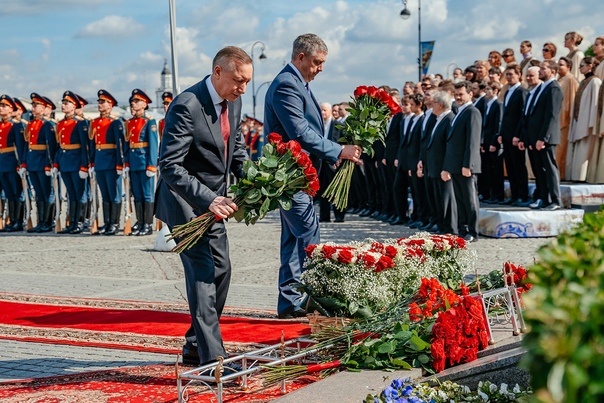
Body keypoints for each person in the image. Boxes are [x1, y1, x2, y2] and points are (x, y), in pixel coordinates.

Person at [155, 46, 251, 367]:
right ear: (218, 73)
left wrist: (258, 181)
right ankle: (213, 359)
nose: (243, 88)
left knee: (222, 269)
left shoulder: (232, 103)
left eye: (248, 82)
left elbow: (235, 150)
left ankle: (196, 345)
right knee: (203, 272)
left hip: (215, 204)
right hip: (184, 203)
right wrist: (210, 199)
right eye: (238, 80)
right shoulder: (187, 105)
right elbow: (169, 166)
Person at [263, 33, 361, 319]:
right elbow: (300, 132)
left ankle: (290, 301)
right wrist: (339, 150)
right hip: (290, 175)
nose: (321, 68)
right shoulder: (286, 84)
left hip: (297, 175)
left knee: (294, 239)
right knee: (308, 235)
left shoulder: (298, 83)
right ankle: (314, 297)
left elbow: (311, 131)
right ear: (300, 57)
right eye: (317, 62)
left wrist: (329, 156)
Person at [441, 81, 481, 242]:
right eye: (456, 94)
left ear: (470, 94)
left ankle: (473, 231)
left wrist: (468, 165)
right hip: (456, 165)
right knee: (460, 199)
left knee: (470, 199)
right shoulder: (459, 112)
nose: (458, 97)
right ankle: (463, 228)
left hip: (465, 166)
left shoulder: (472, 112)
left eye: (461, 94)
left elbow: (472, 141)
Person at [522, 60, 564, 210]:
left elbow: (551, 116)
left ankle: (555, 200)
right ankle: (545, 198)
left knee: (549, 168)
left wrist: (543, 138)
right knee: (540, 170)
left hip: (545, 138)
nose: (540, 70)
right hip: (535, 138)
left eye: (543, 68)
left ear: (553, 71)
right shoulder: (542, 88)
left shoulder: (554, 89)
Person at [89, 90, 125, 235]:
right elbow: (92, 145)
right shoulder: (95, 122)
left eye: (102, 102)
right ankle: (107, 222)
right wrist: (91, 163)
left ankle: (115, 223)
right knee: (105, 195)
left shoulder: (115, 122)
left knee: (114, 194)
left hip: (111, 162)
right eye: (99, 102)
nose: (100, 104)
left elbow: (119, 145)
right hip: (99, 162)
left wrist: (119, 163)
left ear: (110, 105)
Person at [54, 91, 90, 234]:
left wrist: (83, 165)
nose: (63, 105)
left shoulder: (80, 123)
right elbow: (59, 146)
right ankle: (72, 222)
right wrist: (56, 163)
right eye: (63, 103)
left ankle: (80, 222)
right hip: (65, 162)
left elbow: (84, 147)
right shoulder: (61, 123)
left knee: (79, 193)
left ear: (74, 106)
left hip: (76, 162)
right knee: (70, 194)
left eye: (66, 103)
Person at [124, 89, 158, 236]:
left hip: (145, 163)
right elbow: (127, 146)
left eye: (136, 101)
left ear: (144, 104)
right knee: (137, 195)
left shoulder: (149, 122)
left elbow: (153, 145)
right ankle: (141, 223)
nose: (133, 104)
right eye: (132, 101)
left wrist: (151, 165)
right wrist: (126, 163)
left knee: (147, 194)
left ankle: (148, 224)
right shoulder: (129, 122)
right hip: (133, 163)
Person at [22, 93, 57, 233]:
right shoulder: (31, 124)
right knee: (39, 194)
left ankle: (48, 222)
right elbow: (27, 145)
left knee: (47, 192)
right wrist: (24, 163)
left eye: (36, 105)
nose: (34, 107)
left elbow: (51, 146)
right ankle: (41, 221)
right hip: (32, 162)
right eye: (33, 105)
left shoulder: (47, 124)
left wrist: (50, 164)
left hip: (43, 162)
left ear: (43, 109)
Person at [425, 91, 456, 234]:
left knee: (446, 200)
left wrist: (446, 167)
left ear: (440, 104)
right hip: (434, 166)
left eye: (433, 104)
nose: (431, 107)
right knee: (438, 199)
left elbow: (450, 146)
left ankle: (449, 228)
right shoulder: (438, 119)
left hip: (443, 167)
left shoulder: (449, 119)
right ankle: (441, 225)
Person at [567, 57, 601, 182]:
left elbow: (596, 103)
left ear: (590, 65)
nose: (580, 68)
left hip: (588, 122)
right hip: (579, 119)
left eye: (582, 65)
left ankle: (582, 176)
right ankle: (576, 176)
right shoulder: (583, 81)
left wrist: (592, 123)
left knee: (585, 150)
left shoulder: (595, 81)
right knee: (579, 149)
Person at [498, 64, 529, 205]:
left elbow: (522, 116)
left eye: (512, 74)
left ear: (519, 75)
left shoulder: (521, 91)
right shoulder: (507, 92)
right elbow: (506, 117)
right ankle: (514, 195)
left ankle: (522, 195)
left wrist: (518, 135)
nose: (509, 77)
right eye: (507, 74)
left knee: (518, 167)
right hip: (506, 136)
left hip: (515, 137)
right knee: (510, 167)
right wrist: (501, 133)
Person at [0, 95, 26, 232]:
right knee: (9, 193)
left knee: (17, 193)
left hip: (12, 161)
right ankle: (12, 220)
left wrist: (21, 164)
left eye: (4, 106)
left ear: (11, 109)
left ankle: (19, 221)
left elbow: (20, 147)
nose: (0, 108)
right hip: (1, 162)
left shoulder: (15, 126)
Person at [317, 102, 345, 223]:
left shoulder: (338, 126)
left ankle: (339, 215)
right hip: (321, 163)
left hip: (334, 162)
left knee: (336, 190)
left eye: (325, 110)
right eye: (321, 110)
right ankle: (324, 216)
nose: (323, 113)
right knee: (323, 191)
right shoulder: (318, 125)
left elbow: (343, 143)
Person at [556, 57, 579, 180]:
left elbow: (573, 100)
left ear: (568, 66)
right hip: (557, 119)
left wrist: (569, 117)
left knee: (562, 149)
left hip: (565, 119)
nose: (558, 66)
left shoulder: (571, 80)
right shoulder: (559, 79)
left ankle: (561, 174)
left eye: (561, 64)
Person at [482, 82, 504, 203]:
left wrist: (494, 143)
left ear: (495, 91)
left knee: (496, 170)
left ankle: (498, 196)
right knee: (489, 170)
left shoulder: (498, 104)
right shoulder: (488, 104)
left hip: (493, 142)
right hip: (486, 141)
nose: (486, 91)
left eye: (489, 89)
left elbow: (498, 125)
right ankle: (491, 194)